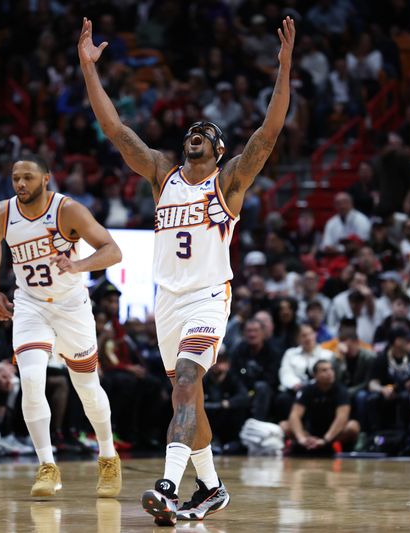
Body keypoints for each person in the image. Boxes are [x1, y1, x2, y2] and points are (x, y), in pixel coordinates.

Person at [79, 15, 295, 526]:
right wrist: (89, 68)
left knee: (185, 385)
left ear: (219, 151)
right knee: (189, 401)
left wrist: (284, 69)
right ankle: (213, 488)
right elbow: (113, 128)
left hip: (206, 298)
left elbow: (269, 130)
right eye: (191, 132)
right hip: (167, 301)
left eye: (205, 133)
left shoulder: (230, 182)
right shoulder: (161, 174)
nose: (194, 135)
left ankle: (168, 486)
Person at [0, 156, 123, 498]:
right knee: (30, 380)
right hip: (30, 305)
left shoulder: (68, 210)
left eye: (27, 177)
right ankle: (47, 466)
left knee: (87, 388)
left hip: (71, 307)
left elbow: (112, 251)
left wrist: (77, 265)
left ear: (46, 179)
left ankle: (108, 456)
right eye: (16, 178)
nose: (20, 184)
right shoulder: (2, 213)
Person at [281, 359, 360, 455]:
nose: (329, 373)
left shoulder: (341, 390)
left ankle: (333, 445)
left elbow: (342, 418)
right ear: (315, 375)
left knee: (353, 427)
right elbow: (295, 415)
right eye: (324, 370)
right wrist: (301, 438)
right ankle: (302, 444)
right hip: (310, 431)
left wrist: (326, 440)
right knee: (284, 425)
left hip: (333, 433)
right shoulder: (307, 390)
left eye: (331, 369)